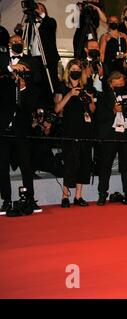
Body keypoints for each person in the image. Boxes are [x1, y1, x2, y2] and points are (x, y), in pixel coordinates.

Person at [0, 35, 42, 215]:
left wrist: (23, 86)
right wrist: (10, 70)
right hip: (2, 126)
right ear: (9, 44)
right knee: (2, 167)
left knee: (26, 164)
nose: (17, 44)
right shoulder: (3, 62)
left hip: (21, 127)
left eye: (20, 42)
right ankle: (6, 200)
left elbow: (32, 100)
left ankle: (29, 199)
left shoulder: (30, 63)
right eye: (14, 41)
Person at [54, 59, 95, 208]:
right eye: (73, 69)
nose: (76, 71)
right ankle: (65, 196)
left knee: (84, 162)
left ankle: (78, 196)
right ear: (68, 71)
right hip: (69, 129)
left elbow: (93, 109)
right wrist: (70, 94)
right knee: (70, 163)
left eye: (78, 69)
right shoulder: (62, 86)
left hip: (84, 129)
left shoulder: (87, 86)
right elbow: (57, 109)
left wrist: (90, 99)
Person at [96, 71, 127, 205]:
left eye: (122, 83)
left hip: (125, 133)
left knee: (126, 165)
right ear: (110, 84)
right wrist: (114, 111)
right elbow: (99, 117)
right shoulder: (103, 96)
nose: (121, 85)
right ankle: (102, 194)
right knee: (106, 165)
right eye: (118, 83)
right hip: (110, 134)